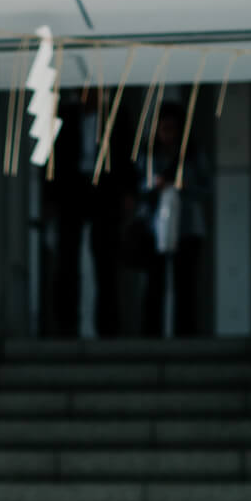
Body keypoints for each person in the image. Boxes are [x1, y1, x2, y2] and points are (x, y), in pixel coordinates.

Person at [42, 86, 129, 338]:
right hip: (72, 189)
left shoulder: (116, 116)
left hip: (105, 189)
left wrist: (127, 192)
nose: (89, 96)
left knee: (106, 259)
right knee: (67, 258)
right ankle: (66, 324)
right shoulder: (66, 115)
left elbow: (125, 156)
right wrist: (51, 197)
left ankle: (108, 326)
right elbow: (53, 158)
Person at [130, 102, 209, 337]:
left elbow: (207, 187)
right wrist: (153, 186)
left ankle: (186, 333)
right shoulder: (148, 154)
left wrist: (185, 186)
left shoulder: (192, 154)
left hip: (187, 226)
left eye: (172, 129)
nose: (168, 135)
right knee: (154, 283)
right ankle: (151, 334)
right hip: (155, 226)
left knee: (185, 283)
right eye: (164, 129)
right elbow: (137, 188)